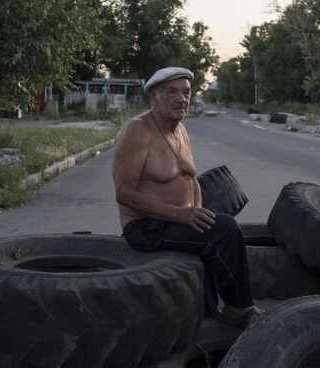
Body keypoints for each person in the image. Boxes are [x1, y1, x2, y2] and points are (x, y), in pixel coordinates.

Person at [111, 67, 262, 328]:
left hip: (175, 219)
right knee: (225, 229)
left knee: (213, 226)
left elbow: (192, 180)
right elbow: (124, 194)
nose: (182, 98)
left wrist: (196, 212)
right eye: (172, 92)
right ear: (154, 97)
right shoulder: (136, 131)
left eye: (186, 92)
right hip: (145, 227)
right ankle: (238, 309)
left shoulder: (180, 130)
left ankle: (208, 312)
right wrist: (182, 215)